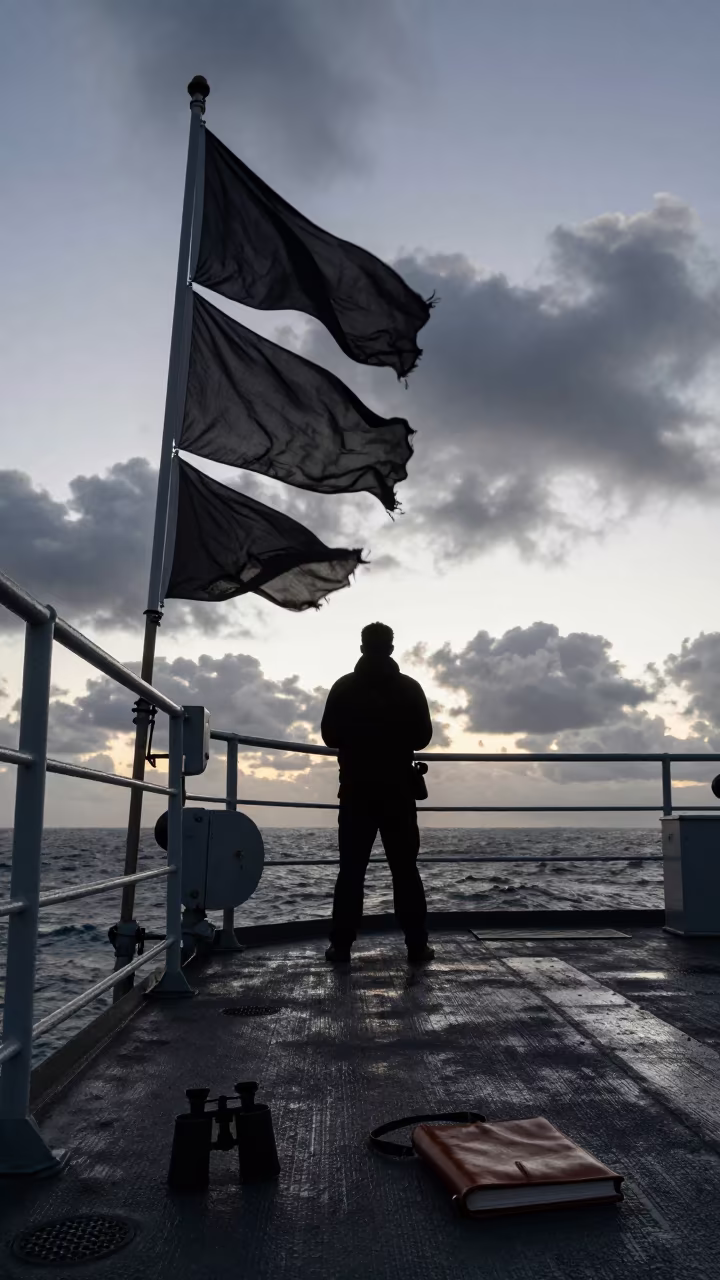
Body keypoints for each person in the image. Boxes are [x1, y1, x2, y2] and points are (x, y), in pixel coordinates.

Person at [320, 621, 435, 964]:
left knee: (351, 872)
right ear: (391, 648)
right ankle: (416, 946)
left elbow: (330, 736)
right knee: (405, 870)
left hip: (355, 792)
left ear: (361, 647)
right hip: (398, 793)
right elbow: (422, 737)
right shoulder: (409, 688)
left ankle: (341, 947)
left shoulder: (343, 688)